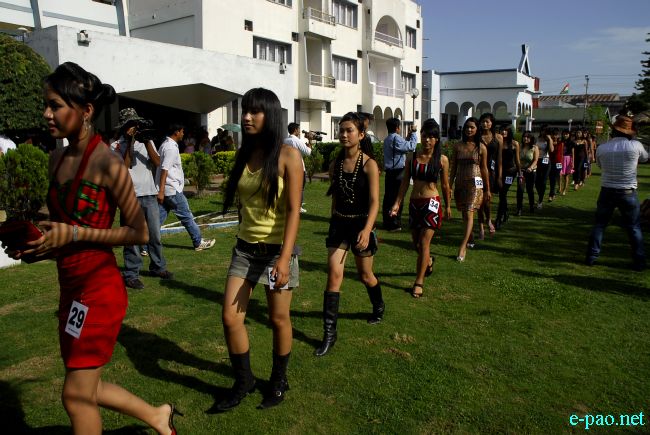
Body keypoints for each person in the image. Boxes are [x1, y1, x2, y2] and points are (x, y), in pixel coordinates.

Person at [6, 62, 179, 435]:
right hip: (70, 289)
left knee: (75, 395)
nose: (46, 114)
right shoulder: (56, 159)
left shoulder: (107, 163)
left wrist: (72, 235)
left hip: (99, 291)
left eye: (55, 105)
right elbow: (60, 228)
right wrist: (37, 245)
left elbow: (139, 232)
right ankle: (157, 416)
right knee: (86, 385)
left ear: (86, 111)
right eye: (46, 105)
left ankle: (156, 416)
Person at [214, 88, 302, 412]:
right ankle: (244, 381)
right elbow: (243, 204)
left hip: (278, 251)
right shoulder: (245, 153)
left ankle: (278, 380)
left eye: (255, 111)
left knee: (278, 319)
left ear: (271, 115)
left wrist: (284, 259)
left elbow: (293, 211)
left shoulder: (288, 156)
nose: (247, 117)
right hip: (245, 250)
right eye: (245, 111)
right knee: (230, 317)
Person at [315, 112, 382, 357]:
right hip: (339, 224)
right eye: (341, 130)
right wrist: (332, 220)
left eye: (349, 130)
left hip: (361, 225)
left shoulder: (369, 164)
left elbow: (375, 202)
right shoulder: (336, 164)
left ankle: (378, 306)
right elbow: (336, 197)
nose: (344, 134)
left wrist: (367, 229)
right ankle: (329, 334)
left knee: (365, 275)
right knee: (334, 275)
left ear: (361, 135)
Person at [111, 108, 174, 290]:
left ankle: (158, 267)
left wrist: (145, 141)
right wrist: (131, 142)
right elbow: (125, 167)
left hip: (149, 194)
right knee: (131, 238)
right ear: (124, 127)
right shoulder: (116, 146)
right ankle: (131, 274)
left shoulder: (147, 141)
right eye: (131, 124)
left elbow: (157, 162)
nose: (134, 127)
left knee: (154, 234)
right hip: (129, 197)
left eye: (136, 123)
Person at [390, 118, 451, 297]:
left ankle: (419, 282)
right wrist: (397, 203)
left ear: (436, 139)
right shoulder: (412, 157)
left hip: (432, 204)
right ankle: (428, 261)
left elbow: (445, 185)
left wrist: (448, 206)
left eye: (431, 137)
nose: (427, 140)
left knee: (424, 243)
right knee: (416, 243)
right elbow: (404, 184)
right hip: (414, 203)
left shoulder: (442, 160)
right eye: (424, 136)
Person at [586, 114, 648, 271]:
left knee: (600, 225)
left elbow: (600, 165)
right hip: (627, 191)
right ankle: (639, 261)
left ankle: (591, 256)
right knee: (633, 227)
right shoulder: (635, 145)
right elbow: (645, 158)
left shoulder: (602, 148)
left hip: (607, 189)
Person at [156, 123, 215, 251]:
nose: (183, 134)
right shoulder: (171, 148)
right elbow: (164, 169)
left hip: (167, 189)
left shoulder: (165, 144)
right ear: (176, 132)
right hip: (172, 189)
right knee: (187, 216)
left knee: (157, 219)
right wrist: (161, 190)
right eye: (182, 131)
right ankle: (198, 242)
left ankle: (144, 245)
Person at [449, 117, 490, 261]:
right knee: (464, 214)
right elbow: (453, 168)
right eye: (467, 127)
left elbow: (484, 169)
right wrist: (449, 185)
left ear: (477, 129)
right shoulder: (457, 146)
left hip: (475, 183)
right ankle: (470, 236)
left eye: (472, 127)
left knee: (469, 212)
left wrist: (487, 189)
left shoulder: (481, 147)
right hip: (460, 182)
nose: (469, 129)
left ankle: (462, 247)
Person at [382, 117, 418, 231]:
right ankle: (394, 223)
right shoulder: (396, 138)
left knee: (388, 198)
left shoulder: (388, 139)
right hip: (397, 172)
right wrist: (414, 133)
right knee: (398, 198)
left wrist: (408, 136)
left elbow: (402, 146)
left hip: (389, 172)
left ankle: (387, 222)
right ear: (397, 128)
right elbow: (411, 146)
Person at [478, 113, 502, 238]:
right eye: (483, 121)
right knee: (479, 201)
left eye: (487, 121)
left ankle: (488, 219)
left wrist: (499, 176)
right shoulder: (477, 137)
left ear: (492, 123)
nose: (485, 124)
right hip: (478, 172)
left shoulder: (498, 138)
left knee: (487, 200)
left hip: (491, 172)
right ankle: (481, 227)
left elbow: (499, 159)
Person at [495, 125, 520, 228]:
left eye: (506, 130)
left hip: (511, 172)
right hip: (499, 171)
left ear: (509, 132)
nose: (504, 132)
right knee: (502, 194)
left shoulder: (515, 144)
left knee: (503, 193)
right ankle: (505, 212)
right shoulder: (497, 143)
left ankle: (498, 218)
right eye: (502, 130)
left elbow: (517, 160)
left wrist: (520, 173)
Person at [285, 122, 312, 212]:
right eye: (299, 129)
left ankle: (290, 204)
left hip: (288, 167)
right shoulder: (296, 141)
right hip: (298, 168)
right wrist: (310, 140)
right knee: (300, 188)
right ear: (296, 130)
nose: (300, 131)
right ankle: (298, 206)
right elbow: (308, 152)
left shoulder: (285, 140)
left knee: (289, 187)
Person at [516, 131, 539, 215]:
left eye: (528, 137)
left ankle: (531, 206)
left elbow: (535, 160)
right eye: (524, 137)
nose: (525, 138)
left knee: (530, 190)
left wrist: (531, 167)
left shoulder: (534, 148)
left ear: (531, 138)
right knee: (520, 190)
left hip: (531, 171)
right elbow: (517, 159)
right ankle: (519, 209)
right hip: (521, 171)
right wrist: (518, 168)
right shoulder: (519, 146)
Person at [534, 125, 554, 208]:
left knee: (543, 181)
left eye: (545, 131)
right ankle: (540, 194)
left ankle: (540, 201)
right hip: (537, 160)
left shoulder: (549, 139)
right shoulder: (537, 139)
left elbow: (551, 150)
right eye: (542, 130)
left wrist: (549, 139)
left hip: (546, 161)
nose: (543, 132)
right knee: (536, 181)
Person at [547, 128, 563, 202]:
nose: (554, 136)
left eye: (556, 135)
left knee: (554, 178)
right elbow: (550, 150)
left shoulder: (560, 143)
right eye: (553, 134)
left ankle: (552, 194)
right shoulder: (549, 142)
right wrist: (550, 140)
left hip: (558, 163)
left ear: (558, 135)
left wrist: (562, 163)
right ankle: (552, 194)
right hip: (550, 162)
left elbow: (555, 151)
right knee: (551, 179)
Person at [559, 130, 575, 196]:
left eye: (567, 134)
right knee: (559, 174)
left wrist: (573, 162)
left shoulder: (571, 142)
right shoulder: (560, 141)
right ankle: (560, 187)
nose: (565, 135)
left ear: (569, 135)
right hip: (560, 159)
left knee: (566, 175)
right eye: (564, 134)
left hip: (568, 159)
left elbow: (573, 153)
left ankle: (564, 190)